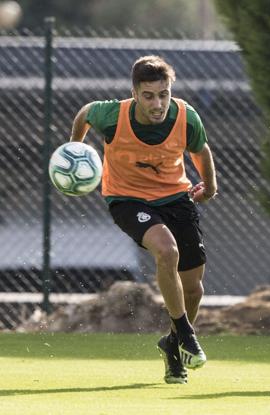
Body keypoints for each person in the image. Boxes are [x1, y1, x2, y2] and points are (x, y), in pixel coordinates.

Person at [69, 55, 217, 385]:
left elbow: (201, 150)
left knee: (193, 287)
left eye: (163, 94)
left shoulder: (185, 115)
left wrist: (210, 187)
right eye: (149, 95)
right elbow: (84, 114)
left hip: (176, 198)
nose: (158, 102)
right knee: (167, 251)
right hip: (127, 198)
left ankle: (173, 346)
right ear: (135, 93)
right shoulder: (112, 114)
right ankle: (187, 335)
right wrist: (74, 149)